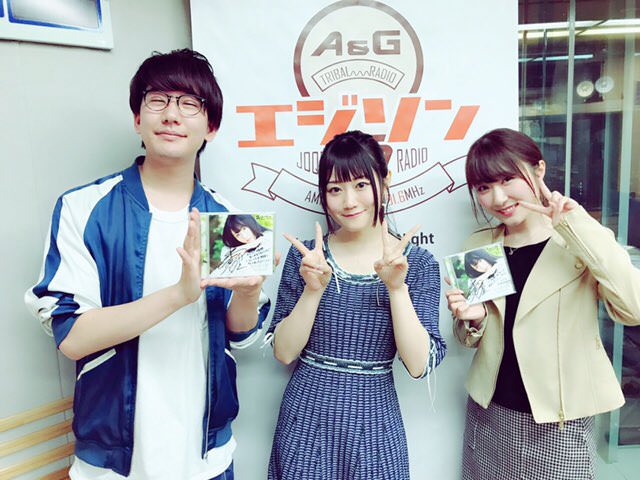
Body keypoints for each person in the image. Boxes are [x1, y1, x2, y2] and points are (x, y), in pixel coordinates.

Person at [24, 49, 270, 480]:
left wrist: (248, 294)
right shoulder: (84, 208)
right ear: (138, 118)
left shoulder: (227, 219)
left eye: (189, 103)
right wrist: (178, 295)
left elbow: (242, 335)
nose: (172, 114)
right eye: (158, 100)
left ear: (211, 127)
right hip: (113, 465)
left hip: (207, 459)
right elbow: (72, 337)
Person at [445, 128, 640, 480]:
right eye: (484, 187)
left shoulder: (576, 240)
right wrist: (473, 320)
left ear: (539, 170)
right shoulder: (480, 245)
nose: (498, 197)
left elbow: (633, 307)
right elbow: (468, 339)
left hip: (558, 421)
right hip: (489, 413)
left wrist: (574, 224)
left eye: (508, 179)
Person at [267, 130, 446, 480]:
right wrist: (313, 290)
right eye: (335, 189)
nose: (348, 201)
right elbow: (284, 353)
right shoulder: (307, 258)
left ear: (385, 181)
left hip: (375, 424)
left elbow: (419, 365)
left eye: (361, 185)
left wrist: (396, 288)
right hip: (305, 420)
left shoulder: (419, 263)